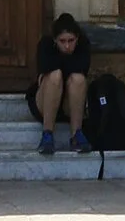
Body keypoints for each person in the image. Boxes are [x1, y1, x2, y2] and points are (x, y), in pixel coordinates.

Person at [30, 14, 91, 153]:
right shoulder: (45, 45)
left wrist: (61, 63)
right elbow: (46, 66)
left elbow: (83, 67)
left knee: (78, 79)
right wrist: (68, 65)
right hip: (45, 101)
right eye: (62, 41)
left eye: (71, 40)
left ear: (77, 38)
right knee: (55, 76)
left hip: (69, 104)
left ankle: (77, 134)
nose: (67, 46)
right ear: (55, 40)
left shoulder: (83, 45)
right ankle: (47, 134)